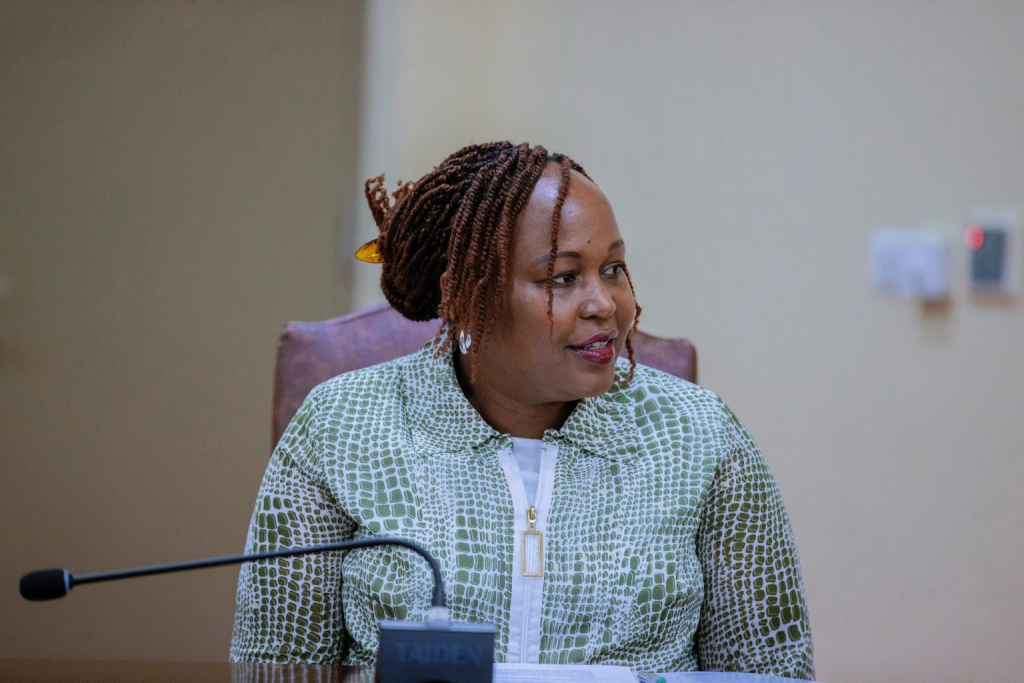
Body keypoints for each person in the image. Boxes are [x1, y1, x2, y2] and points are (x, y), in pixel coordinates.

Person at [229, 141, 814, 678]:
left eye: (612, 269)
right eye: (563, 277)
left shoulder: (701, 436)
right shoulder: (341, 427)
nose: (604, 304)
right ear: (467, 299)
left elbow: (773, 672)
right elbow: (275, 670)